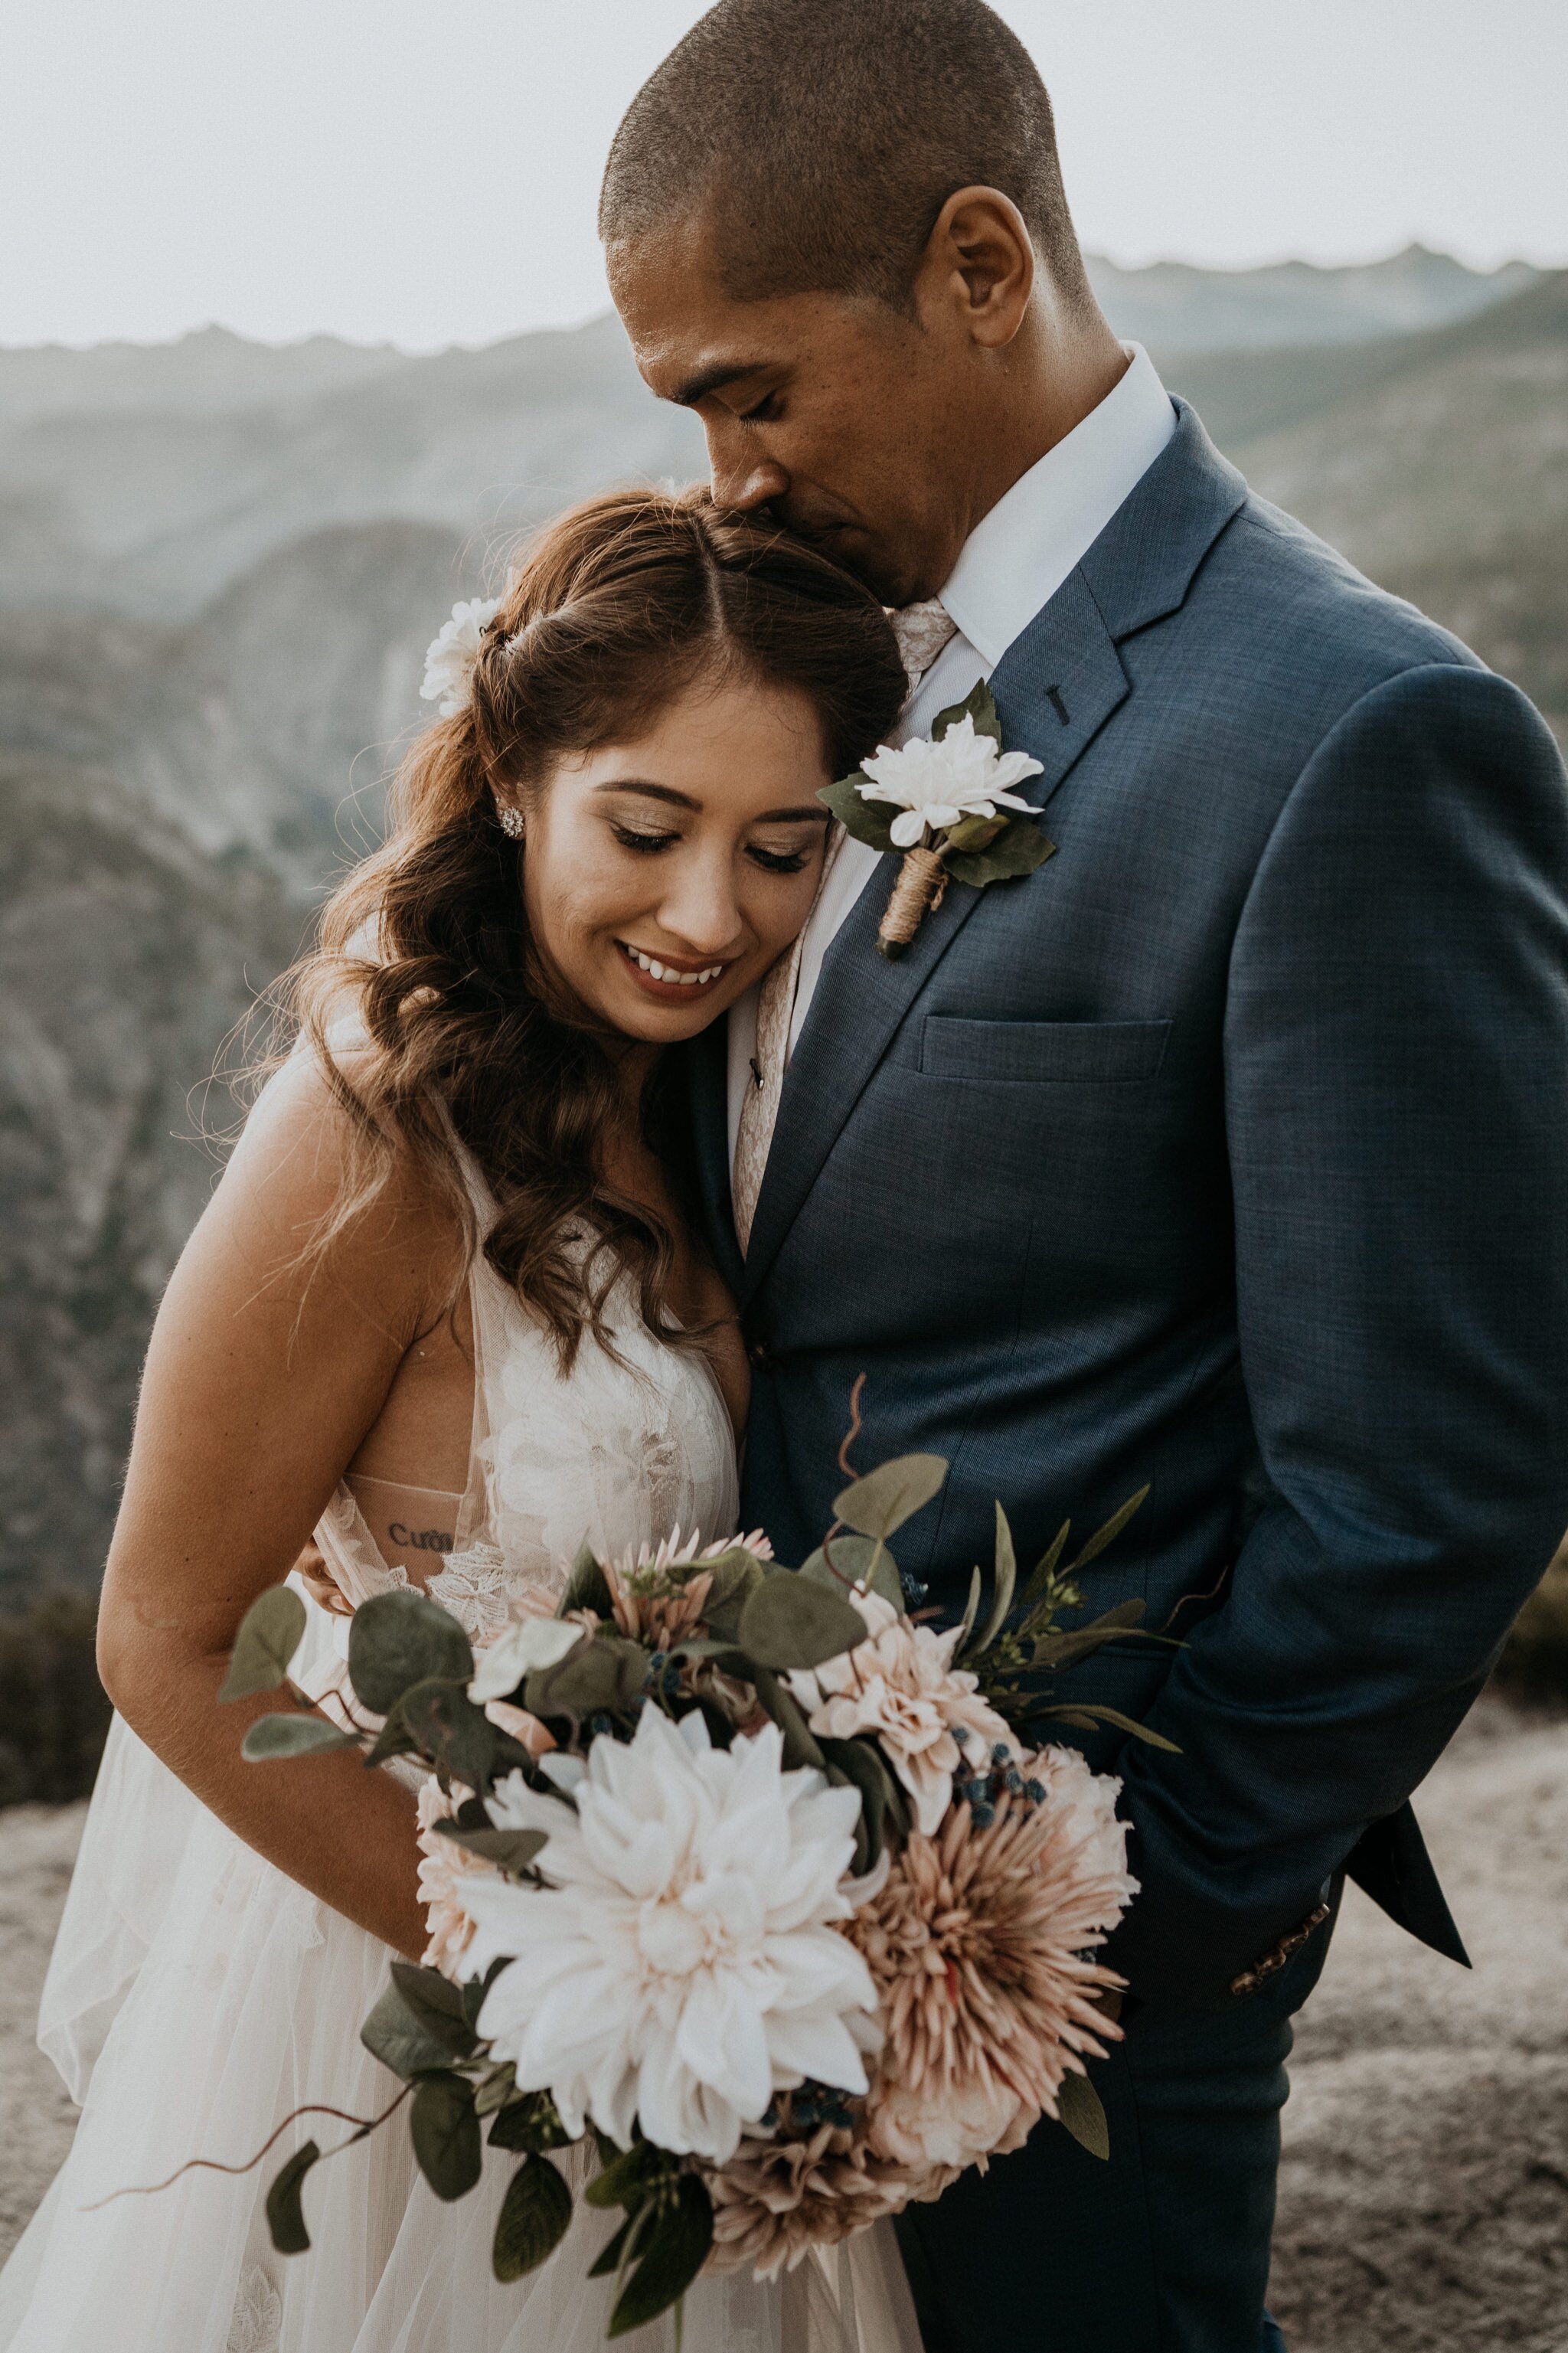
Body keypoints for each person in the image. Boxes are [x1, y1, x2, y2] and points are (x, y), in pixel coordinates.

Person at [599, 4, 1568, 2347]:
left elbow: (1441, 1459)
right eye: (688, 417)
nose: (721, 476)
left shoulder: (1354, 736)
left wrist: (1166, 1918)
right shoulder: (816, 674)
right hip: (707, 1927)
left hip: (1056, 1983)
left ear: (973, 263)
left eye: (754, 391)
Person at [0, 489, 918, 2352]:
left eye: (781, 847)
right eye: (645, 829)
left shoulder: (689, 1084)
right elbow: (162, 1634)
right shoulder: (371, 1127)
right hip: (426, 1979)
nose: (705, 914)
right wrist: (551, 1980)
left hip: (692, 1973)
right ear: (508, 775)